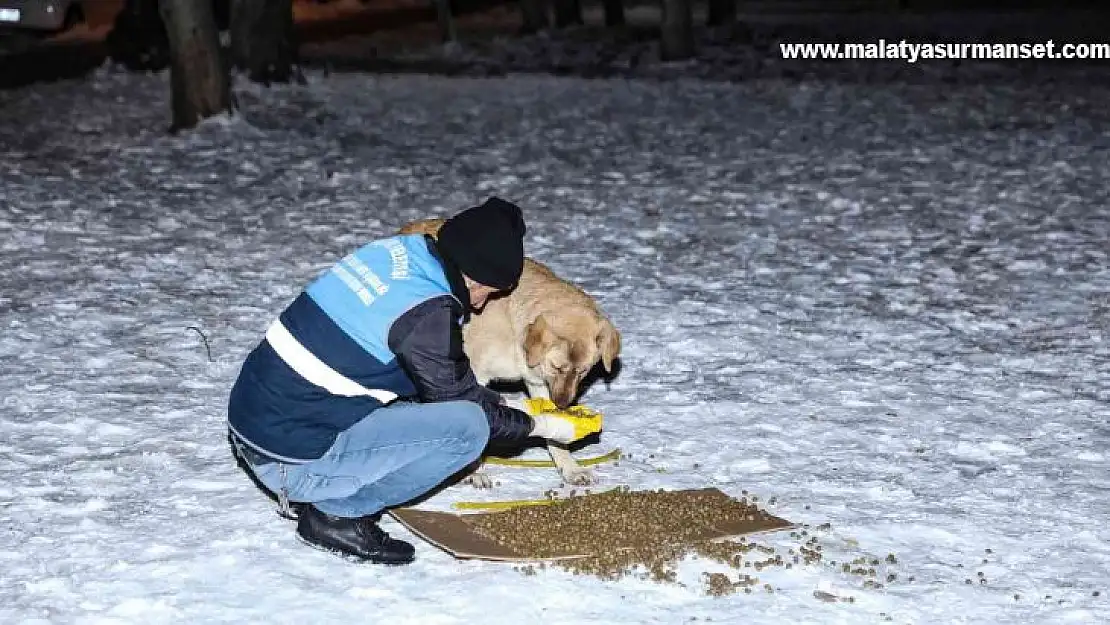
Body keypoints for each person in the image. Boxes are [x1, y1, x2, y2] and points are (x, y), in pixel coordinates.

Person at [226, 197, 592, 565]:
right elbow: (461, 405)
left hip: (254, 423)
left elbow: (440, 378)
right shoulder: (427, 313)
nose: (481, 305)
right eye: (487, 291)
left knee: (420, 400)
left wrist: (506, 405)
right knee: (468, 429)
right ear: (474, 275)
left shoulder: (394, 254)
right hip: (289, 462)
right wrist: (539, 424)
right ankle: (339, 514)